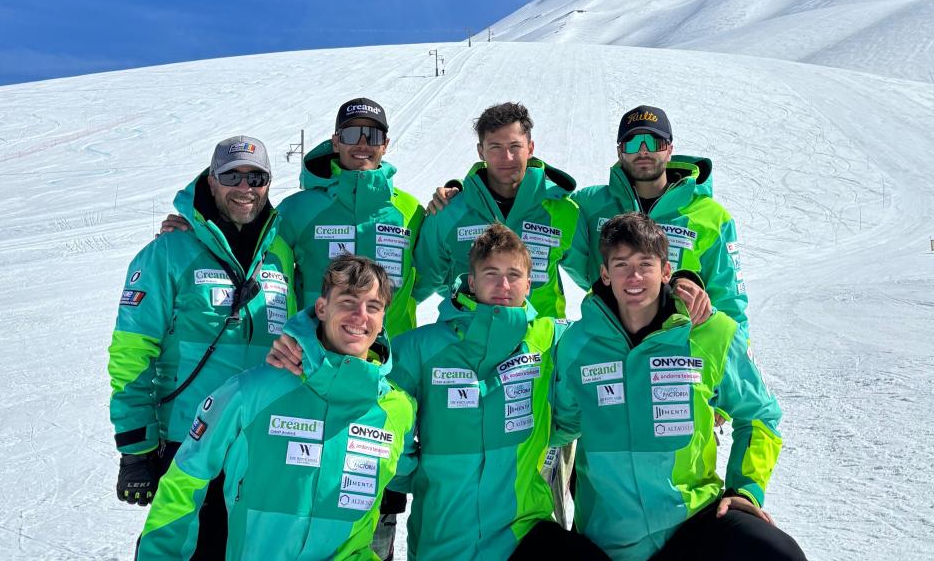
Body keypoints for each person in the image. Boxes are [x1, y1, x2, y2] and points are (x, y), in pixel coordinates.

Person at [270, 225, 608, 560]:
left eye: (513, 274)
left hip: (521, 533)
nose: (503, 285)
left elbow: (611, 336)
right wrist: (300, 340)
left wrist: (552, 432)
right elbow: (359, 371)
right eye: (491, 273)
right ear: (471, 281)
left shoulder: (550, 339)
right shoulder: (422, 347)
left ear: (529, 281)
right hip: (444, 536)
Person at [551, 212, 805, 560]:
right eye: (621, 265)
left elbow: (760, 415)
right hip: (609, 536)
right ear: (605, 274)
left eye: (646, 264)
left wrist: (746, 490)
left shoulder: (712, 334)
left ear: (666, 271)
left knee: (777, 553)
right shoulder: (577, 345)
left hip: (693, 521)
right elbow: (558, 425)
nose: (635, 276)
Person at [137, 255, 416, 560]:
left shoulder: (397, 408)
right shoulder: (252, 392)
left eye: (373, 307)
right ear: (322, 308)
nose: (360, 316)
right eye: (349, 301)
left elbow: (422, 473)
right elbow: (185, 481)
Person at [108, 136, 296, 557]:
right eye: (231, 176)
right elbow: (131, 357)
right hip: (189, 441)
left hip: (261, 442)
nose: (244, 187)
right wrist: (136, 446)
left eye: (256, 177)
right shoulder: (169, 252)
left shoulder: (280, 255)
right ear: (210, 182)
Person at [161, 98, 424, 338]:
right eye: (352, 134)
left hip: (393, 358)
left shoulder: (410, 211)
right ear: (336, 141)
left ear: (385, 144)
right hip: (314, 355)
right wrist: (196, 229)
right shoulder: (299, 209)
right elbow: (248, 248)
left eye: (373, 135)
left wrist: (453, 190)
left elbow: (432, 274)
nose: (363, 143)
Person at [566, 105, 745, 337]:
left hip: (680, 347)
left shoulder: (711, 216)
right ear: (620, 151)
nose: (643, 152)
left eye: (654, 143)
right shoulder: (590, 204)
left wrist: (739, 358)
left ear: (669, 150)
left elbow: (730, 299)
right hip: (611, 338)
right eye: (632, 143)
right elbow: (557, 232)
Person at [412, 102, 579, 319]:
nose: (506, 158)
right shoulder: (448, 212)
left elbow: (600, 277)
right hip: (468, 342)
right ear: (481, 151)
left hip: (539, 345)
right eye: (495, 147)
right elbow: (416, 286)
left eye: (514, 146)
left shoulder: (563, 211)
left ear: (530, 148)